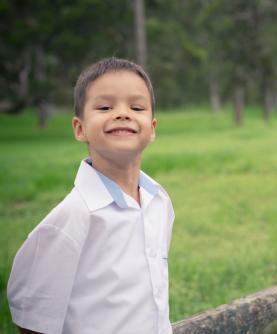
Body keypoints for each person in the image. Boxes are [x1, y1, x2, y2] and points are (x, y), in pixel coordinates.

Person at [7, 57, 175, 334]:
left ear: (152, 128)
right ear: (79, 128)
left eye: (136, 107)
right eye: (105, 107)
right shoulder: (71, 218)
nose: (122, 114)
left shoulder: (159, 201)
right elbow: (32, 321)